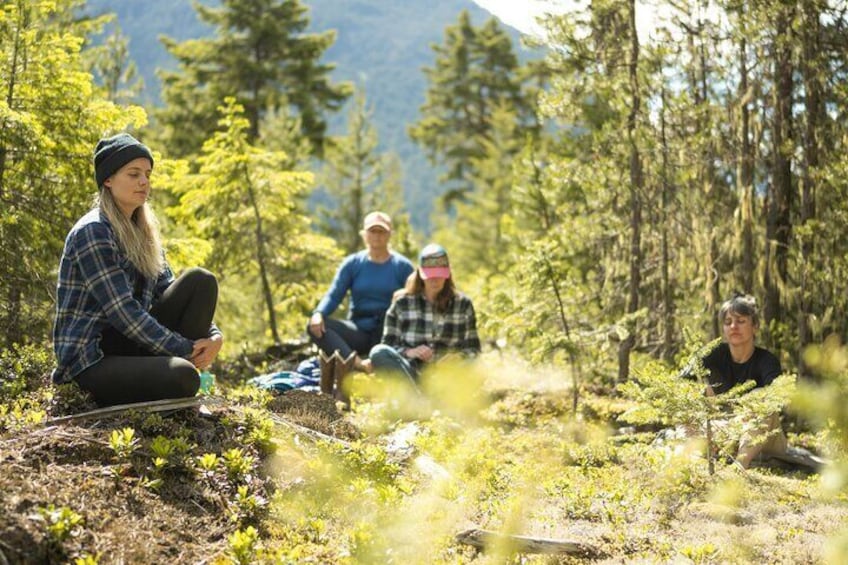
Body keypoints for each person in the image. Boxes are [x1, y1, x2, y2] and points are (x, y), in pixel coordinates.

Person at [51, 133, 223, 407]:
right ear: (108, 179)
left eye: (147, 174)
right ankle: (171, 378)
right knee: (183, 376)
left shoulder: (142, 232)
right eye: (133, 174)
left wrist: (213, 337)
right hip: (90, 362)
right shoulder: (93, 231)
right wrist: (186, 350)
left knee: (201, 281)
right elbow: (123, 313)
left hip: (131, 346)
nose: (144, 181)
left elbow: (167, 288)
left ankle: (169, 376)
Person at [307, 211, 414, 376]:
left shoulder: (402, 266)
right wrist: (319, 313)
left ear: (390, 234)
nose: (377, 236)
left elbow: (417, 298)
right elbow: (334, 294)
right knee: (317, 326)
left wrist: (405, 295)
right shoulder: (352, 264)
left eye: (381, 231)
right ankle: (358, 363)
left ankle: (380, 362)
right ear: (364, 234)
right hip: (359, 330)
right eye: (373, 231)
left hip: (389, 331)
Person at [370, 243, 481, 384]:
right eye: (430, 275)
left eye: (439, 275)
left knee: (473, 366)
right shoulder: (402, 303)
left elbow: (474, 350)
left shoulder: (463, 304)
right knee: (378, 352)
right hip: (410, 372)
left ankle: (420, 398)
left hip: (446, 376)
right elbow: (388, 346)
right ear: (420, 274)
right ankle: (418, 397)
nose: (434, 280)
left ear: (447, 274)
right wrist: (409, 352)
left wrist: (458, 357)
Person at [699, 294, 786, 468]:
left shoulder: (767, 360)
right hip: (725, 431)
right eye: (728, 321)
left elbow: (776, 398)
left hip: (767, 439)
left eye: (740, 321)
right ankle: (691, 459)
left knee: (761, 398)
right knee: (694, 392)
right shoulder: (714, 355)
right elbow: (681, 383)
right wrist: (703, 389)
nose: (733, 326)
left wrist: (747, 408)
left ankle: (740, 466)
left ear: (755, 326)